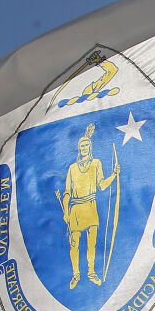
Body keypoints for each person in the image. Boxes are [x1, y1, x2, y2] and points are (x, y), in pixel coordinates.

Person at [57, 123, 115, 288]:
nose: (84, 147)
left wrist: (114, 175)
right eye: (81, 145)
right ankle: (76, 274)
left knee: (92, 244)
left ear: (90, 147)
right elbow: (67, 192)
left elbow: (102, 185)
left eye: (86, 145)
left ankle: (91, 272)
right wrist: (66, 213)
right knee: (74, 244)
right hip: (75, 209)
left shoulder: (96, 163)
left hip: (91, 206)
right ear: (78, 148)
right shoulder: (72, 168)